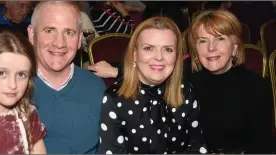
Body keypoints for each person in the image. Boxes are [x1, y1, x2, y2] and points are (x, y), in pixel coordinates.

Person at [97, 17, 207, 154]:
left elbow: (198, 147)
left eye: (168, 49)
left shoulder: (185, 91)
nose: (159, 57)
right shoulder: (114, 99)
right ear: (135, 55)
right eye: (149, 48)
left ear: (176, 57)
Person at [188, 10, 272, 153]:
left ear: (234, 47)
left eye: (220, 38)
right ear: (195, 49)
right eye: (203, 41)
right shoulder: (185, 85)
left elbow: (261, 147)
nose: (211, 48)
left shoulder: (257, 87)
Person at [27, 1, 106, 154]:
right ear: (32, 34)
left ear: (79, 40)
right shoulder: (11, 90)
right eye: (50, 30)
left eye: (69, 32)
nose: (59, 43)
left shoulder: (95, 87)